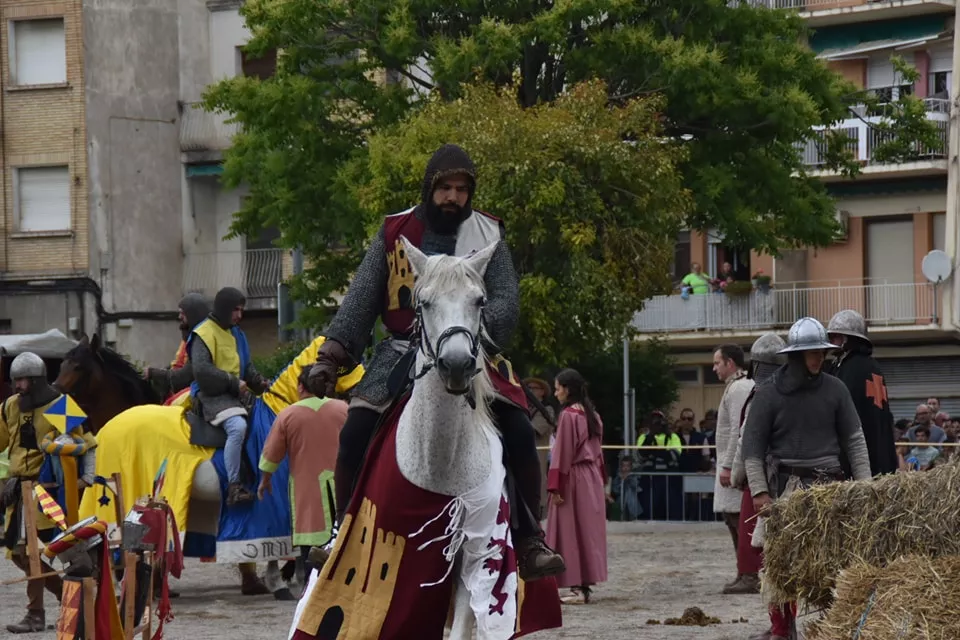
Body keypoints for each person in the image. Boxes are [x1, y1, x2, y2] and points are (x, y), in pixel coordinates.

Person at [305, 143, 562, 580]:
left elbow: (507, 302)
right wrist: (332, 354)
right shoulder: (395, 232)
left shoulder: (488, 234)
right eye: (445, 187)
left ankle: (529, 538)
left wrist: (472, 330)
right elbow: (362, 301)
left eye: (462, 189)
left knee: (518, 430)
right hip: (401, 350)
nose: (454, 198)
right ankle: (341, 532)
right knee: (355, 432)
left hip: (474, 349)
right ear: (429, 188)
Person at [741, 317, 872, 640]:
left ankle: (831, 626)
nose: (818, 358)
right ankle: (782, 630)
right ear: (796, 355)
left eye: (822, 352)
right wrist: (760, 492)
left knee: (831, 562)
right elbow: (752, 451)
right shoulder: (769, 394)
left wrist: (865, 487)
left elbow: (854, 440)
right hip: (787, 490)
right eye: (812, 352)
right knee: (780, 566)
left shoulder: (836, 389)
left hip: (829, 488)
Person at [0, 352, 95, 633]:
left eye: (23, 380)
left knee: (39, 552)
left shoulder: (60, 405)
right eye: (15, 380)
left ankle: (36, 614)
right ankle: (73, 598)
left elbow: (87, 443)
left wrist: (86, 478)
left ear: (37, 380)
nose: (18, 386)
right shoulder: (10, 407)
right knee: (19, 554)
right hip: (18, 490)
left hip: (48, 492)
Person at [258, 368, 348, 582]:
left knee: (311, 549)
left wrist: (266, 480)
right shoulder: (344, 409)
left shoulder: (288, 414)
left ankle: (311, 591)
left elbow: (271, 456)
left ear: (300, 386)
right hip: (343, 490)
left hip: (308, 494)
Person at [189, 287, 270, 505]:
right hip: (212, 396)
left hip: (237, 396)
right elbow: (202, 371)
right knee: (238, 427)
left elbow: (247, 367)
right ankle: (234, 486)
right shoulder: (203, 333)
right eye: (236, 310)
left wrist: (262, 383)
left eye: (241, 310)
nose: (239, 315)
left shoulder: (237, 333)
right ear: (224, 308)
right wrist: (233, 382)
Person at [729, 333, 786, 602]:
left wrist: (738, 473)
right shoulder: (790, 392)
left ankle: (753, 574)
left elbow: (746, 438)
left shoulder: (761, 395)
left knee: (754, 531)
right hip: (784, 473)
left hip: (761, 474)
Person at [546, 369, 607, 604]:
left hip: (573, 477)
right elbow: (599, 454)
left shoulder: (569, 416)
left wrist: (556, 486)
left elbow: (562, 454)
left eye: (558, 387)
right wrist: (602, 480)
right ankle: (582, 585)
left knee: (571, 532)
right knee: (586, 532)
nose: (555, 392)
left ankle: (577, 587)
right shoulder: (593, 416)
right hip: (591, 477)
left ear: (567, 389)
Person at [826, 310, 898, 476]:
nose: (832, 341)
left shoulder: (852, 369)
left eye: (836, 336)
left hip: (861, 452)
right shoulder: (868, 365)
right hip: (879, 452)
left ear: (848, 339)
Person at [144, 293, 211, 400]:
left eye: (183, 313)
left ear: (193, 315)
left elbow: (185, 377)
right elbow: (177, 365)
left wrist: (153, 373)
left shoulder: (200, 340)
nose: (179, 317)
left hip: (193, 393)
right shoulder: (188, 337)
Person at [524, 377, 556, 519]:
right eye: (527, 388)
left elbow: (533, 429)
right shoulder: (523, 408)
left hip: (537, 459)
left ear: (542, 392)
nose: (529, 391)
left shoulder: (546, 410)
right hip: (520, 458)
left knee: (538, 488)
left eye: (533, 388)